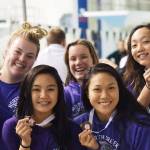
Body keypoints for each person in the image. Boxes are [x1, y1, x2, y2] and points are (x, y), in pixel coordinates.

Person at [2, 65, 87, 150]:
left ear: (59, 92)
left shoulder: (72, 129)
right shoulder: (12, 127)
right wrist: (25, 144)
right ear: (26, 93)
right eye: (36, 89)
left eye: (50, 89)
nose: (43, 96)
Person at [75, 63, 150, 150]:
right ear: (87, 93)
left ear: (119, 90)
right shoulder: (77, 126)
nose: (104, 96)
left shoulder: (140, 126)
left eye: (111, 88)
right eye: (97, 89)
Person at [0, 22, 47, 149]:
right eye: (17, 52)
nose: (22, 59)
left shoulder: (34, 93)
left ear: (34, 61)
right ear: (6, 50)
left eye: (29, 56)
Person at [64, 39, 99, 118]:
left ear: (93, 59)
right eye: (73, 59)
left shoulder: (106, 88)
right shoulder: (64, 95)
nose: (78, 62)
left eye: (83, 57)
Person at [124, 24, 150, 108]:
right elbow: (133, 114)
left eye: (146, 42)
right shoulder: (131, 79)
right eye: (134, 45)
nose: (139, 49)